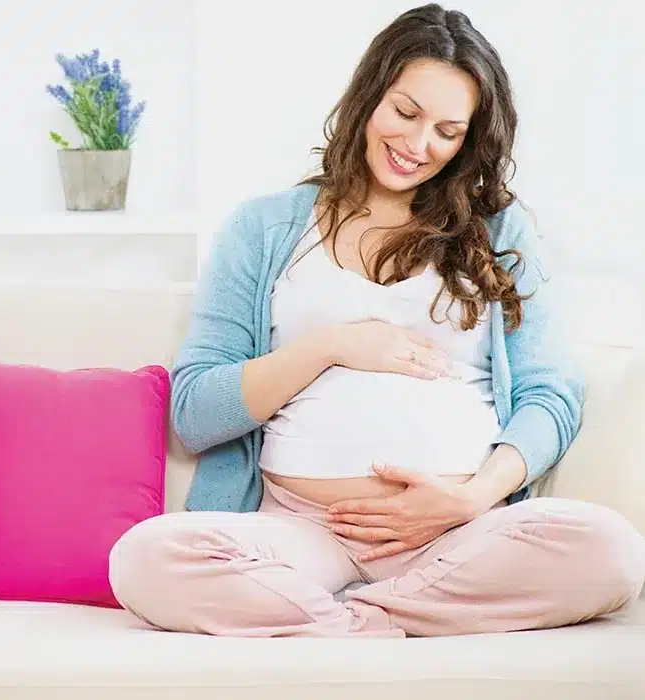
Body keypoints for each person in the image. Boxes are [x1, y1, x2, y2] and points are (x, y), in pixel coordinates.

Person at [107, 3, 645, 638]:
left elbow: (550, 396)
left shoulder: (500, 232)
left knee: (610, 551)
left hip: (455, 531)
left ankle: (350, 626)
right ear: (368, 96)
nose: (418, 146)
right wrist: (332, 346)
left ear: (470, 140)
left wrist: (467, 499)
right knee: (144, 558)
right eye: (405, 113)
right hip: (303, 534)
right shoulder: (265, 228)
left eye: (447, 131)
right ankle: (402, 622)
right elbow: (196, 412)